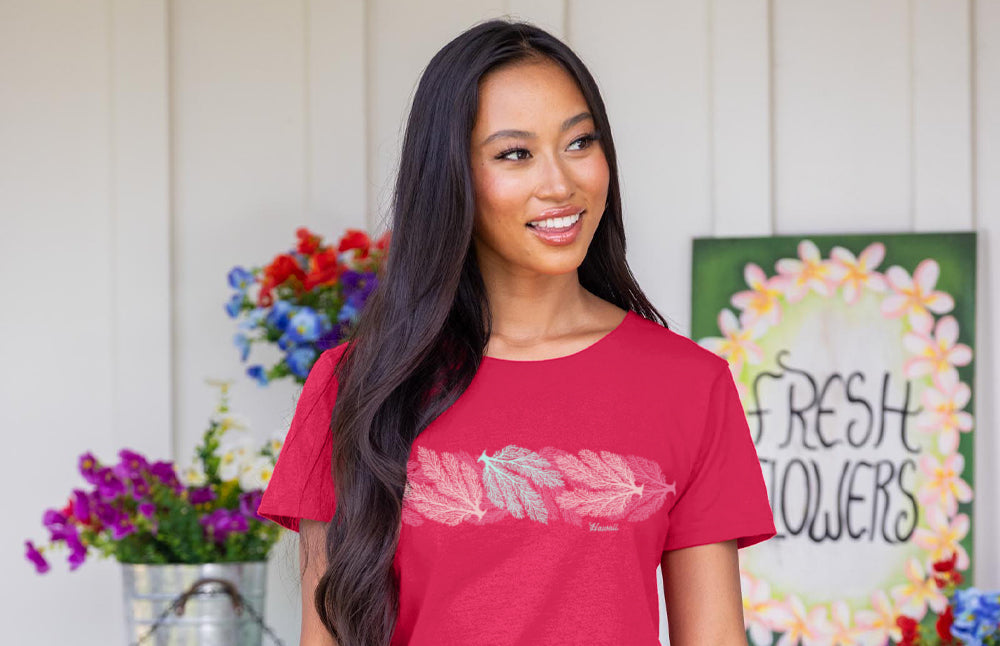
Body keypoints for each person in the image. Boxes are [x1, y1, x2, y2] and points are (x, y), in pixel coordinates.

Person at [258, 17, 776, 646]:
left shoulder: (689, 385)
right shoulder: (355, 387)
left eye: (580, 143)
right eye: (515, 154)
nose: (560, 183)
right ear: (452, 178)